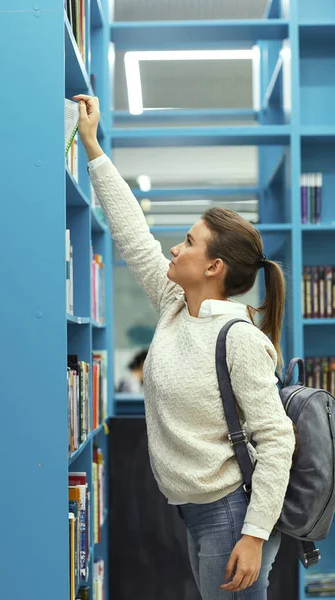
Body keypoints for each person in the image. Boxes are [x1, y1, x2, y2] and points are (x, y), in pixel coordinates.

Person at [72, 93, 295, 600]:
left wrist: (255, 534)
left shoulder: (237, 339)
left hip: (231, 515)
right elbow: (133, 234)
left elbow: (278, 441)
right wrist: (92, 148)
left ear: (214, 267)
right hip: (196, 511)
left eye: (190, 242)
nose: (176, 246)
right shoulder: (176, 306)